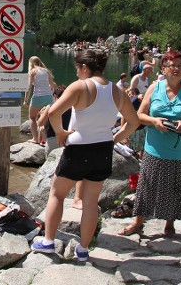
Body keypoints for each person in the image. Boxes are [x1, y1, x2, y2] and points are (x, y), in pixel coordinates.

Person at [31, 49, 140, 261]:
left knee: (57, 194)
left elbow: (54, 113)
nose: (76, 73)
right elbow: (134, 122)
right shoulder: (117, 91)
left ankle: (48, 242)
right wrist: (115, 138)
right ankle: (83, 249)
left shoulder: (81, 86)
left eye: (77, 69)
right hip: (103, 149)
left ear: (84, 68)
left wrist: (61, 133)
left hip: (79, 148)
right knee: (90, 202)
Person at [119, 49, 181, 238]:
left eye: (180, 66)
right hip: (154, 146)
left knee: (174, 185)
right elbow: (139, 114)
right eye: (172, 65)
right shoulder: (154, 88)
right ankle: (138, 222)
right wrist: (154, 121)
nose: (176, 69)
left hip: (180, 149)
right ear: (163, 69)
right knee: (146, 185)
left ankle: (169, 224)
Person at [24, 56, 57, 144]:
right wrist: (56, 95)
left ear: (31, 63)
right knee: (45, 119)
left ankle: (35, 139)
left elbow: (29, 87)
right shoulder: (46, 71)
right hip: (48, 97)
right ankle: (45, 139)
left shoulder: (32, 72)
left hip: (37, 97)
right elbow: (53, 84)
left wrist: (25, 100)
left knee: (32, 118)